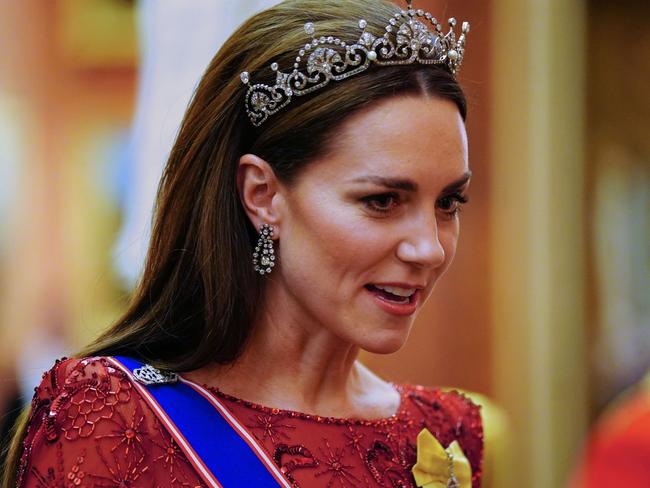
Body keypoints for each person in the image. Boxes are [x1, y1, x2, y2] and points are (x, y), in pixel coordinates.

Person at [3, 0, 483, 486]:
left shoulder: (446, 433)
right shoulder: (117, 418)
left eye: (449, 202)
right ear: (263, 194)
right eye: (382, 200)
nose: (430, 248)